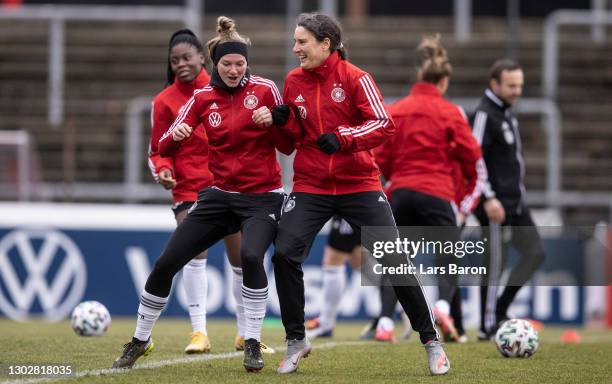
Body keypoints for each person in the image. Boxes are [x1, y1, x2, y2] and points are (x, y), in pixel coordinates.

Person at [272, 13, 450, 375]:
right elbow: (289, 144)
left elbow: (385, 123)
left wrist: (344, 138)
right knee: (285, 253)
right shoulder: (292, 81)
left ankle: (431, 341)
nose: (295, 49)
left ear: (326, 44)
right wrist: (281, 124)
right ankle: (296, 340)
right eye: (295, 41)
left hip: (360, 185)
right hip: (311, 185)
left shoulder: (356, 78)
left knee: (396, 261)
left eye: (302, 42)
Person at [113, 16, 293, 372]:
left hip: (262, 196)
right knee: (167, 262)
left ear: (247, 64)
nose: (234, 70)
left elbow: (288, 145)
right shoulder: (201, 97)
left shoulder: (265, 90)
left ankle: (252, 340)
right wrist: (173, 139)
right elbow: (162, 143)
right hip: (218, 195)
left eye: (240, 64)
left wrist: (275, 121)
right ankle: (140, 339)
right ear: (216, 64)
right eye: (227, 64)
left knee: (253, 257)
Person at [149, 28, 275, 356]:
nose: (180, 64)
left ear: (203, 58)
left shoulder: (225, 83)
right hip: (188, 187)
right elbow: (157, 149)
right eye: (174, 60)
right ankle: (199, 331)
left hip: (226, 187)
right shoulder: (164, 101)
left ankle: (245, 334)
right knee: (195, 254)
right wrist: (163, 168)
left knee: (241, 258)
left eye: (186, 57)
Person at [373, 34, 482, 344]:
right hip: (437, 193)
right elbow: (471, 155)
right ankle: (443, 307)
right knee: (448, 254)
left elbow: (380, 158)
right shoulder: (451, 112)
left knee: (395, 259)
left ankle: (384, 323)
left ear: (419, 74)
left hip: (402, 192)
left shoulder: (397, 109)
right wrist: (461, 196)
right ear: (443, 81)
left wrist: (397, 178)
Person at [469, 59, 545, 340]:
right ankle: (488, 326)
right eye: (511, 85)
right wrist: (488, 198)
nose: (517, 91)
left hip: (516, 202)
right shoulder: (484, 114)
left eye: (520, 85)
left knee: (535, 252)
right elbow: (473, 159)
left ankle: (500, 310)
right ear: (495, 84)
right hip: (494, 205)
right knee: (494, 265)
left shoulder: (507, 113)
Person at [305, 216, 362, 339]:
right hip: (368, 205)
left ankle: (326, 324)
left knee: (333, 261)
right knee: (361, 262)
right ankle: (389, 313)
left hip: (350, 204)